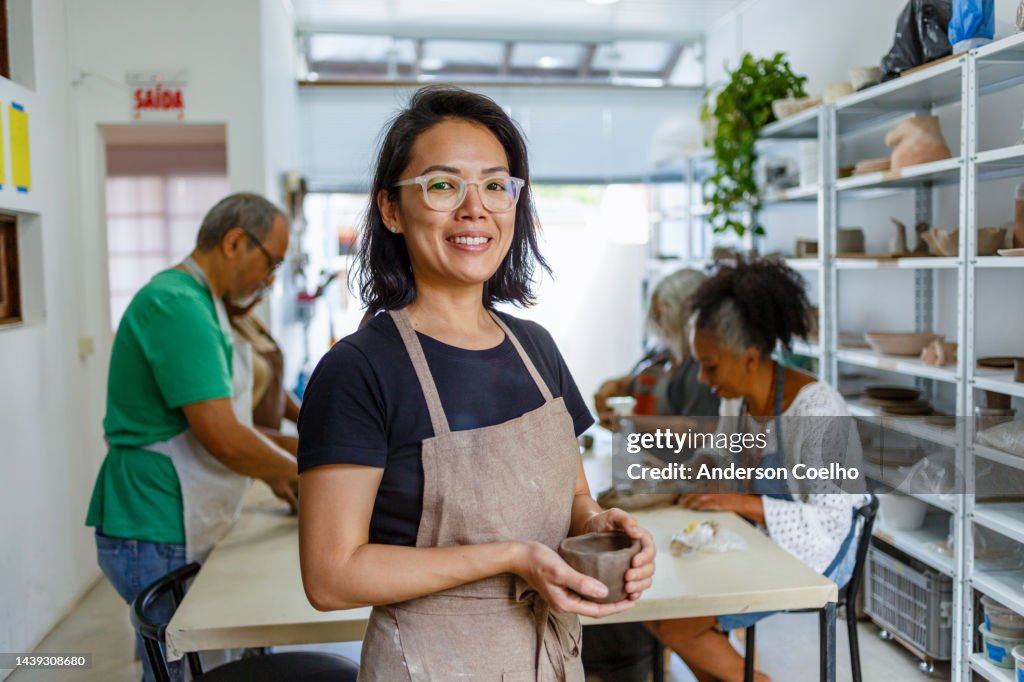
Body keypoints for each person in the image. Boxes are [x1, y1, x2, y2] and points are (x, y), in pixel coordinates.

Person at [296, 86, 656, 680]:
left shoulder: (537, 348)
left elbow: (573, 501)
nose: (475, 209)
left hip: (552, 660)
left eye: (495, 185)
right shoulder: (358, 371)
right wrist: (513, 558)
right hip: (433, 665)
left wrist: (603, 528)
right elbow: (331, 576)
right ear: (390, 209)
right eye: (443, 186)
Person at [85, 193, 300, 682]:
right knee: (177, 668)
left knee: (197, 660)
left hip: (177, 513)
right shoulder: (175, 304)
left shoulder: (206, 305)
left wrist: (286, 467)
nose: (269, 278)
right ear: (234, 242)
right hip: (154, 520)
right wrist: (302, 472)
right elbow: (223, 437)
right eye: (270, 262)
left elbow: (234, 425)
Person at [646, 257, 863, 682]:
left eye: (711, 365)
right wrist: (691, 469)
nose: (705, 380)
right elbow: (723, 458)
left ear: (748, 356)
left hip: (821, 553)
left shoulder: (818, 409)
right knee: (657, 609)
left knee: (676, 622)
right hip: (760, 539)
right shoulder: (737, 399)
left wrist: (739, 500)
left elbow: (831, 520)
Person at [594, 268, 719, 431]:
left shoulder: (700, 367)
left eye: (664, 317)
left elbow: (699, 430)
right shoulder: (661, 354)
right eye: (656, 316)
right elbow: (631, 384)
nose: (660, 325)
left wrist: (631, 423)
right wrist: (613, 388)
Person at [225, 294, 301, 454]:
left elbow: (272, 384)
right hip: (248, 451)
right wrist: (287, 449)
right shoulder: (218, 328)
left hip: (270, 444)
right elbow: (223, 428)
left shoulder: (249, 320)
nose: (269, 280)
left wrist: (308, 419)